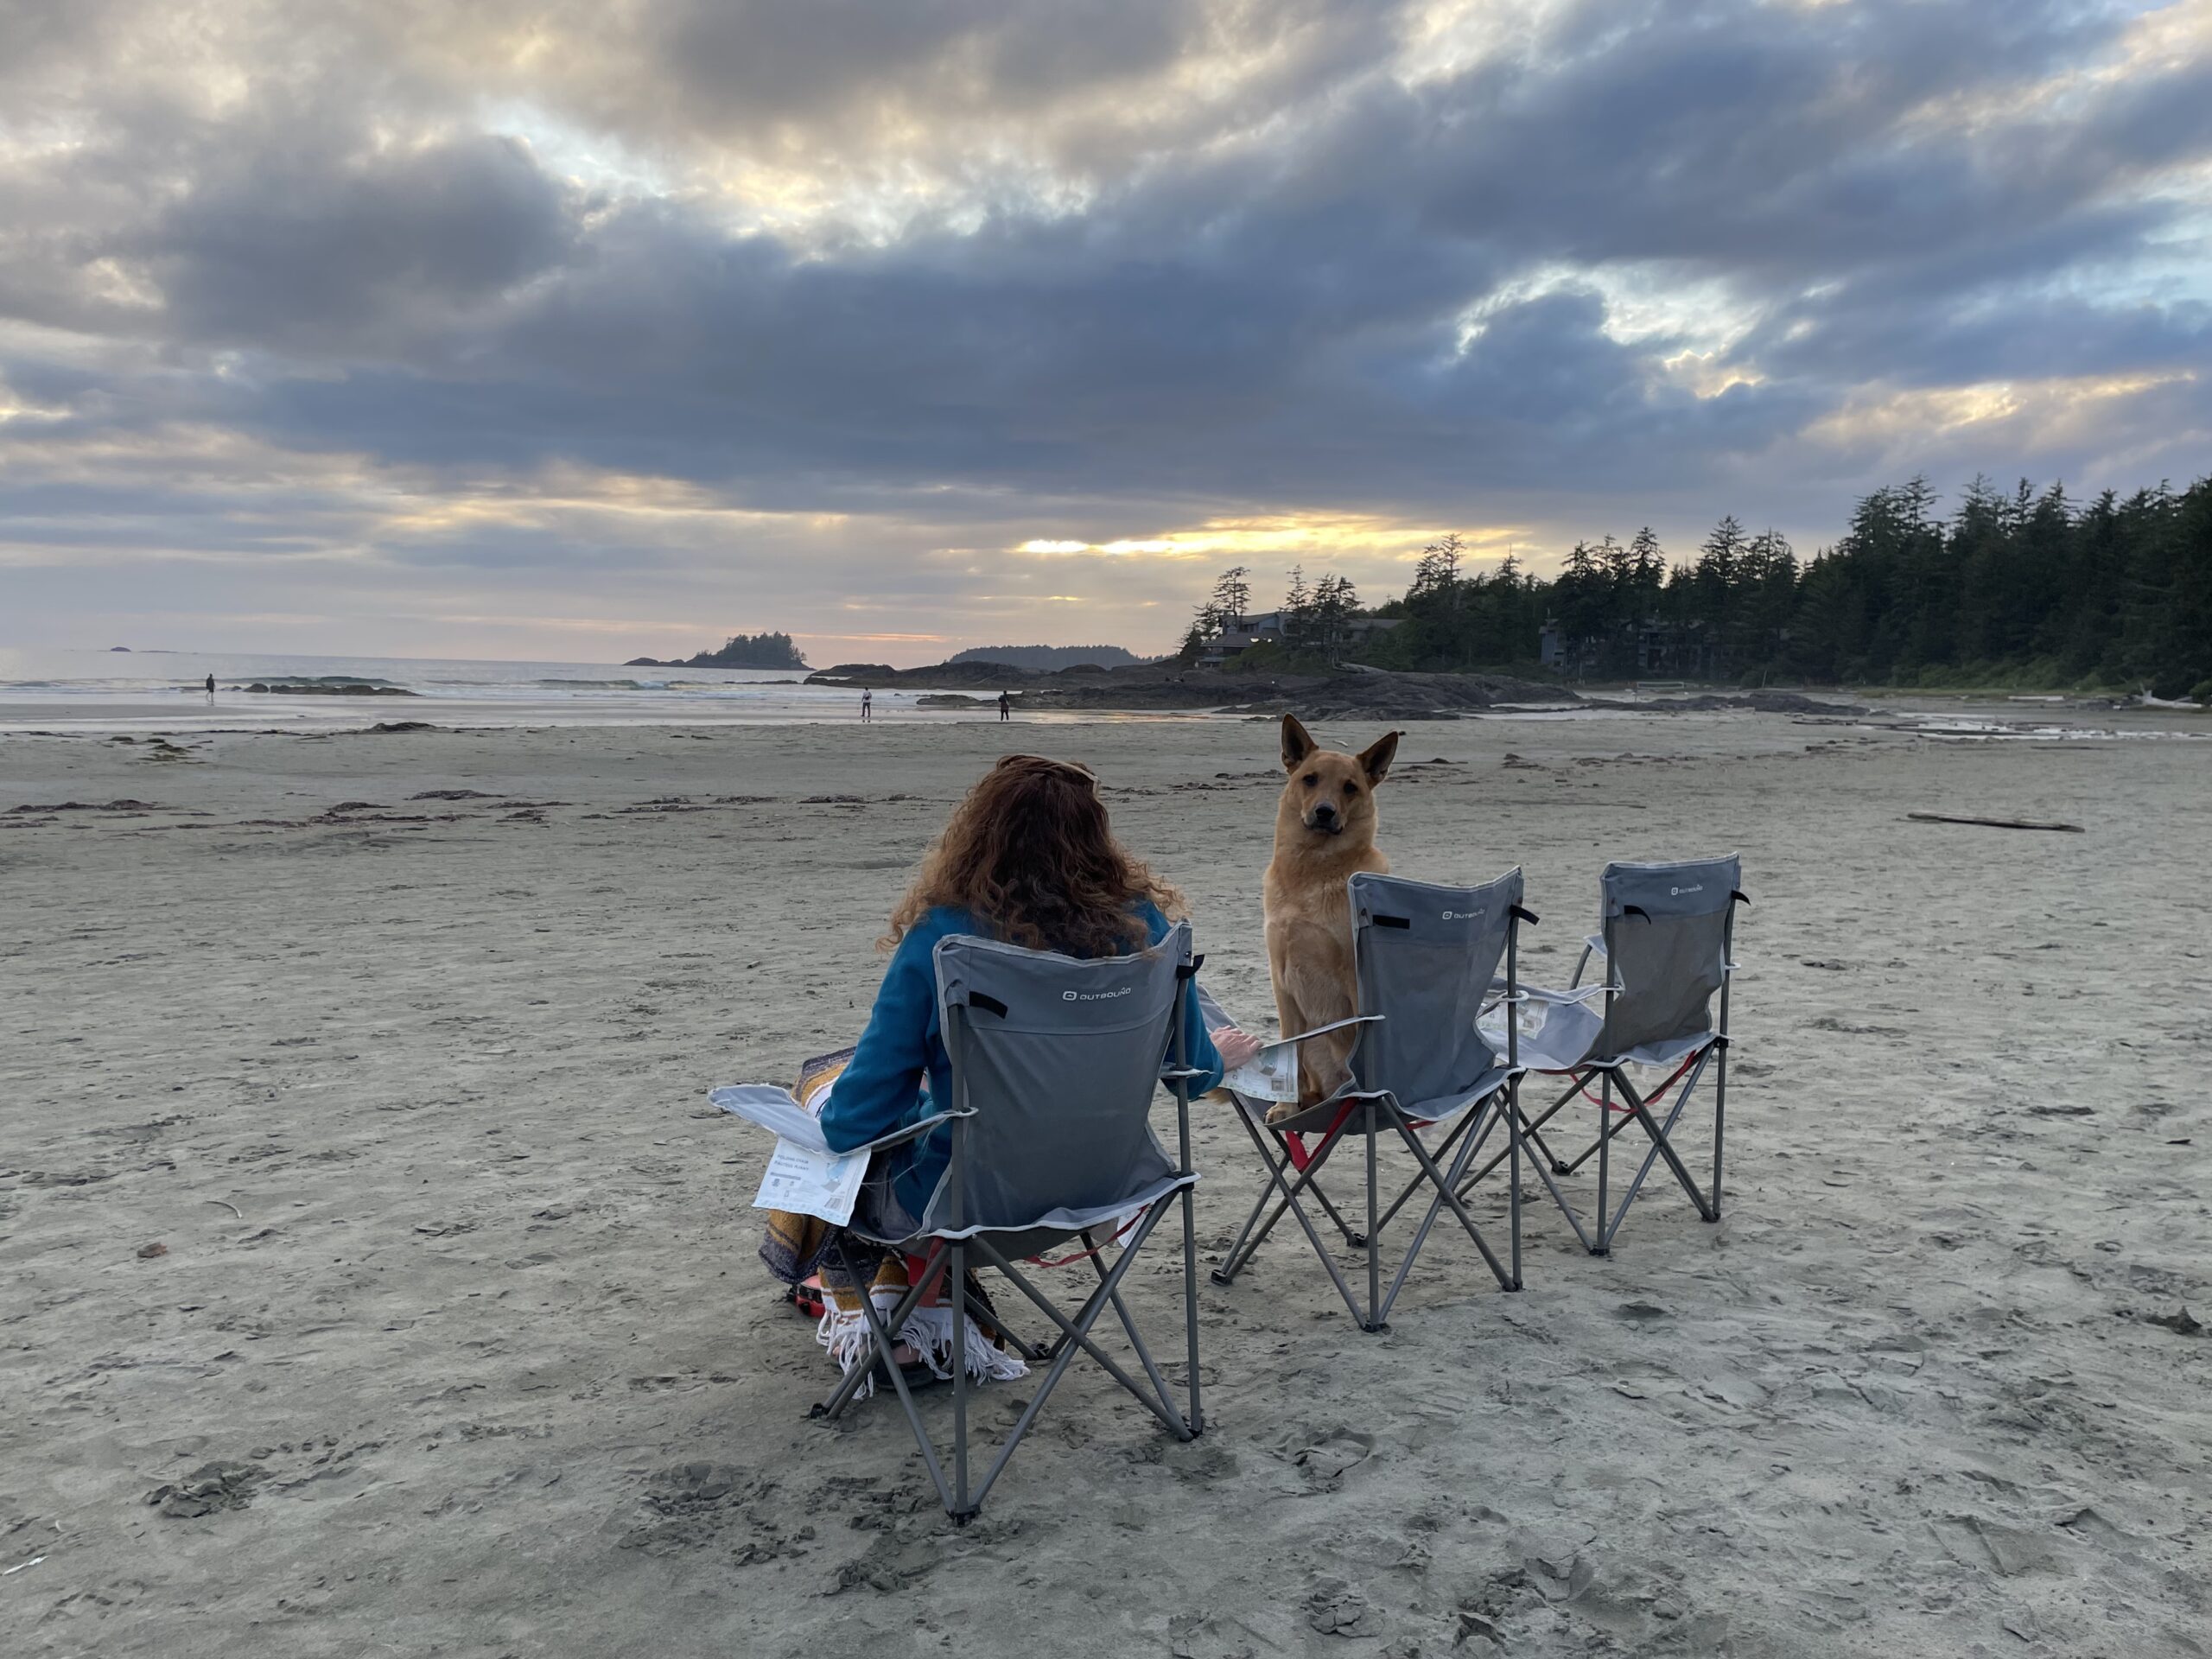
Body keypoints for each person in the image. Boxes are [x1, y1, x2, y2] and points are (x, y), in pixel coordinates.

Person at [760, 753, 1261, 1387]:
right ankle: (925, 1317)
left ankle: (893, 1318)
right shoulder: (1147, 932)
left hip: (965, 1204)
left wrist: (824, 1110)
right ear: (1097, 838)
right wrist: (1221, 1058)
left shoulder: (945, 938)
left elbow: (859, 1118)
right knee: (918, 1113)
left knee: (826, 1100)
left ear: (977, 836)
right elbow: (1192, 1076)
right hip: (1106, 1190)